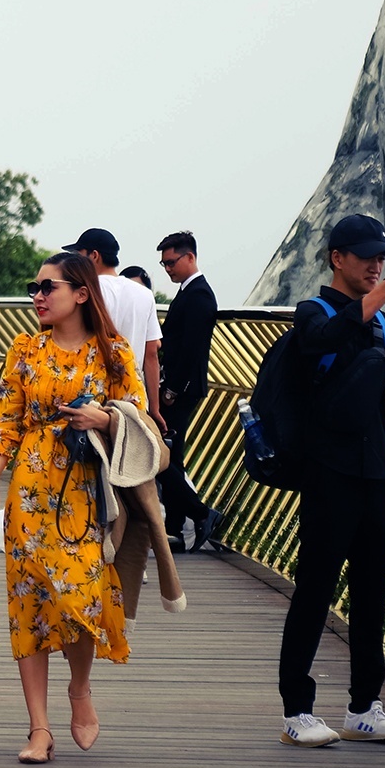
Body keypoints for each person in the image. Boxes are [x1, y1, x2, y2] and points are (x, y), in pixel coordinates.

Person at [278, 214, 385, 749]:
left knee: (372, 591)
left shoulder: (379, 323)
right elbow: (326, 337)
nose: (377, 265)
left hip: (374, 469)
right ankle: (297, 710)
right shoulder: (314, 312)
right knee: (315, 588)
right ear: (337, 259)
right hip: (327, 471)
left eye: (382, 258)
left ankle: (363, 706)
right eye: (365, 257)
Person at [0, 251, 147, 764]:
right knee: (28, 603)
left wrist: (104, 418)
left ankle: (79, 688)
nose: (38, 296)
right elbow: (7, 416)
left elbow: (140, 419)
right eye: (35, 287)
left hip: (86, 490)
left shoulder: (112, 352)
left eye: (48, 287)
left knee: (79, 595)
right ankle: (39, 728)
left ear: (80, 293)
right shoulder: (25, 348)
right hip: (31, 483)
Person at [155, 231, 222, 550]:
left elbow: (191, 349)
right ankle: (178, 528)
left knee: (164, 458)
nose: (167, 269)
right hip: (179, 387)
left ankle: (200, 514)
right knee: (171, 457)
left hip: (181, 389)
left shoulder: (199, 295)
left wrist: (172, 389)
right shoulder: (189, 291)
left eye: (171, 262)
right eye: (163, 264)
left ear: (190, 257)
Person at [65, 229, 163, 428]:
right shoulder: (144, 294)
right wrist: (154, 408)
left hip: (91, 397)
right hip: (131, 397)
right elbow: (152, 353)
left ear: (94, 256)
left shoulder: (85, 291)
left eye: (78, 256)